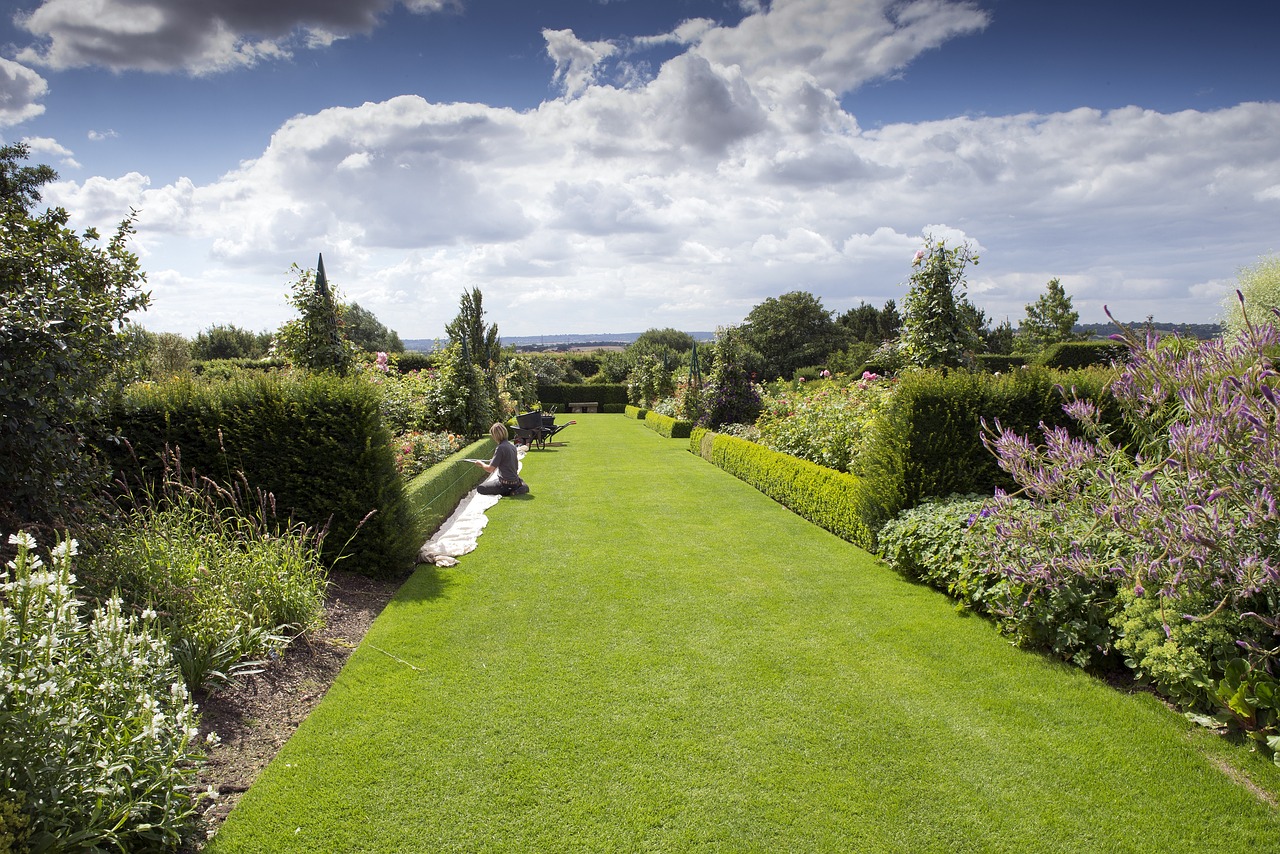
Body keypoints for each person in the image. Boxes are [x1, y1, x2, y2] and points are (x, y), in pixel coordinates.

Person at [473, 422, 529, 496]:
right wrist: (494, 460)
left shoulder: (500, 448)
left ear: (495, 436)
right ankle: (518, 489)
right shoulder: (512, 446)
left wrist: (481, 464)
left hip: (504, 483)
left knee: (481, 488)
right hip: (514, 481)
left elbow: (490, 469)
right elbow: (512, 464)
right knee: (518, 481)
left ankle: (508, 491)